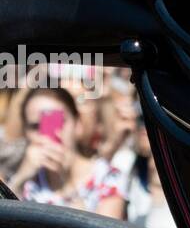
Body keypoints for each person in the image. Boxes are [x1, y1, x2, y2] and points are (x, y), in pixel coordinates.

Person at [7, 88, 126, 218]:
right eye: (36, 127)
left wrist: (67, 181)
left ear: (77, 124)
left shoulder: (106, 177)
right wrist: (20, 180)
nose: (47, 135)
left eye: (57, 122)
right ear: (25, 132)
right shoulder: (24, 182)